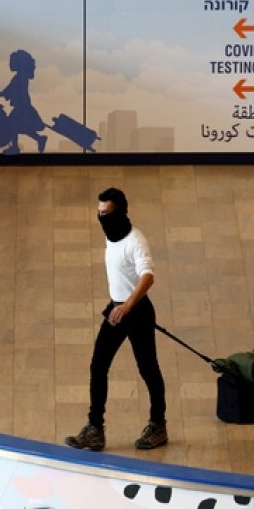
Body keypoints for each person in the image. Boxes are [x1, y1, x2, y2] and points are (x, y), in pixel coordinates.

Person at [65, 188, 168, 451]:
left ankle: (158, 425)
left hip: (136, 312)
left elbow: (148, 276)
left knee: (148, 370)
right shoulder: (112, 235)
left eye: (107, 214)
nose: (102, 218)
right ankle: (95, 429)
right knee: (98, 366)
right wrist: (118, 306)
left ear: (120, 212)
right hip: (116, 310)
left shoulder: (136, 241)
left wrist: (128, 306)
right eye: (99, 213)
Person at [0, 50, 48, 155]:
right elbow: (9, 91)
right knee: (22, 127)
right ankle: (39, 139)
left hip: (22, 107)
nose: (9, 64)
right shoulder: (20, 77)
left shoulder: (20, 78)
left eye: (11, 62)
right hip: (23, 107)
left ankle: (16, 147)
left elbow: (10, 91)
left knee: (13, 126)